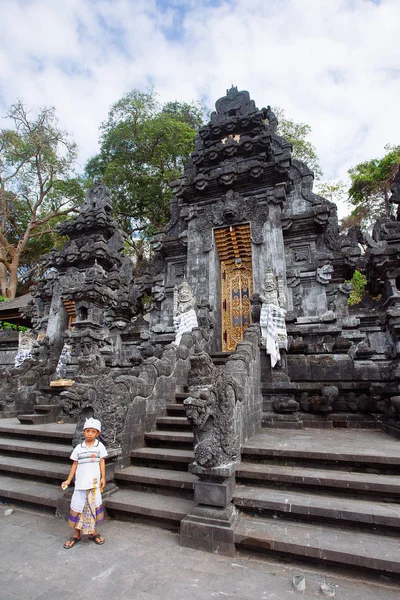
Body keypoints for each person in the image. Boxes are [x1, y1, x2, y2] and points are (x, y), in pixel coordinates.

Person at [61, 417, 107, 549]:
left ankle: (93, 532)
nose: (90, 434)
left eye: (93, 431)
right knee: (79, 507)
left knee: (91, 508)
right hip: (80, 485)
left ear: (97, 433)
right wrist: (68, 480)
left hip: (93, 485)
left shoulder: (100, 447)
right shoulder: (79, 448)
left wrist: (103, 477)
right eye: (88, 431)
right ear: (84, 432)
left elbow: (102, 461)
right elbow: (75, 464)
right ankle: (76, 534)